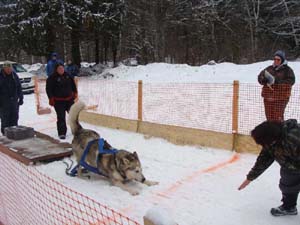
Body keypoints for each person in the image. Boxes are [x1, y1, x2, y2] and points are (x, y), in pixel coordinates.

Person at [238, 119, 300, 216]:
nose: (263, 145)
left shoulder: (294, 138)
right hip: (291, 167)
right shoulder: (271, 141)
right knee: (287, 185)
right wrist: (250, 178)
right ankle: (289, 207)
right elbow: (264, 159)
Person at [257, 50, 295, 122]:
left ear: (282, 60)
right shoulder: (269, 68)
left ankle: (280, 132)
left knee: (278, 117)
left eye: (278, 59)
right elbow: (260, 76)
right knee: (269, 117)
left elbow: (291, 81)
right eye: (275, 59)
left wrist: (278, 82)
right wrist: (263, 80)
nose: (276, 61)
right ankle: (271, 132)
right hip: (268, 97)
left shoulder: (287, 70)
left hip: (281, 97)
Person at [46, 62, 78, 139]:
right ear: (56, 69)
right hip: (58, 101)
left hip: (69, 99)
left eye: (62, 68)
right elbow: (48, 89)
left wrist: (75, 93)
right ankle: (62, 133)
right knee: (61, 117)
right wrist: (51, 98)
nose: (61, 70)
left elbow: (73, 85)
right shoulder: (52, 78)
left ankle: (76, 131)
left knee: (73, 115)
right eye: (59, 68)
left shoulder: (68, 76)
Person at [0, 61, 23, 135]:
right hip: (3, 102)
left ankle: (14, 134)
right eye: (7, 68)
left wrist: (21, 97)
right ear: (4, 68)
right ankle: (5, 135)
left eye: (10, 68)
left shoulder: (14, 75)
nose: (9, 70)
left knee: (15, 117)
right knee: (5, 119)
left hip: (14, 101)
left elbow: (19, 87)